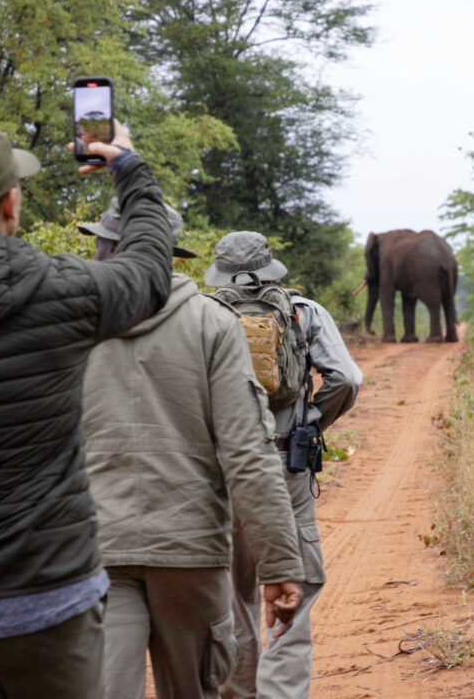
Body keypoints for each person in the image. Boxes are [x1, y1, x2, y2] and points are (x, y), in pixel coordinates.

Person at [0, 118, 173, 698]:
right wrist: (128, 167)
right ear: (10, 202)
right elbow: (148, 270)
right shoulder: (67, 289)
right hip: (52, 604)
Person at [78, 208, 306, 699]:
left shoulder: (70, 326)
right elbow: (248, 454)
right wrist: (280, 565)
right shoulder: (212, 324)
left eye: (102, 243)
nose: (96, 252)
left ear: (112, 250)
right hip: (190, 550)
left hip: (98, 548)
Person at [205, 231, 362, 699]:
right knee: (296, 589)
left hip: (223, 468)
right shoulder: (303, 311)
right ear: (269, 265)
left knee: (233, 593)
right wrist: (310, 424)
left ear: (220, 271)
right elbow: (346, 378)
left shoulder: (201, 314)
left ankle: (239, 691)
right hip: (285, 462)